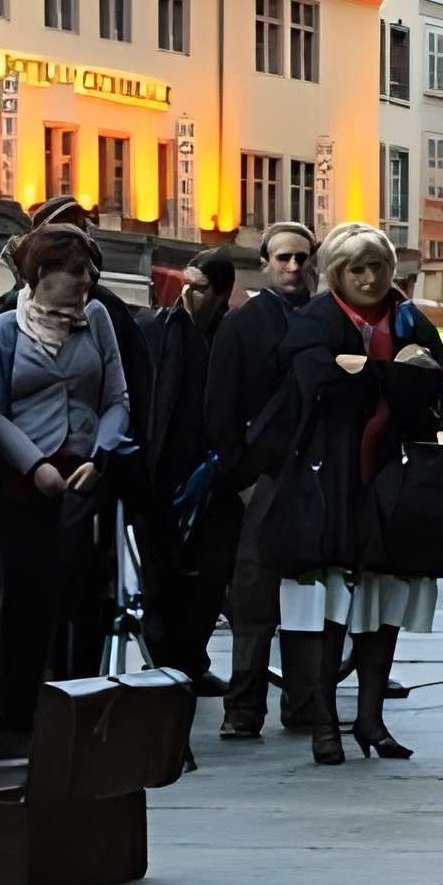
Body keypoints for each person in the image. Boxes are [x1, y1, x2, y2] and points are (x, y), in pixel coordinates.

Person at [270, 223, 443, 764]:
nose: (369, 278)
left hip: (395, 486)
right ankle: (324, 722)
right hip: (328, 483)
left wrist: (363, 371)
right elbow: (318, 386)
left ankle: (371, 722)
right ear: (335, 275)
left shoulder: (408, 317)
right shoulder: (314, 320)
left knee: (383, 607)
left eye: (377, 267)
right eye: (357, 269)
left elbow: (431, 383)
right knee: (327, 611)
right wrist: (391, 372)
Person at [0, 224, 137, 717]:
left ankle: (79, 703)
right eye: (78, 276)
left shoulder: (98, 319)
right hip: (24, 486)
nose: (86, 286)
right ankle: (19, 707)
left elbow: (117, 399)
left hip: (86, 478)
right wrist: (34, 465)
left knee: (84, 600)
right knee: (25, 597)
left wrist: (99, 455)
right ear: (42, 273)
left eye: (89, 277)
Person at [200, 223, 324, 738]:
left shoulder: (327, 319)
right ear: (266, 263)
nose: (293, 267)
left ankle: (300, 702)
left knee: (309, 597)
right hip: (264, 478)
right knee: (254, 601)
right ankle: (244, 707)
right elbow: (218, 410)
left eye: (301, 258)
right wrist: (245, 481)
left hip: (314, 480)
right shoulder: (243, 324)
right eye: (283, 258)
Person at [128, 247, 238, 690]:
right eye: (188, 284)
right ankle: (164, 659)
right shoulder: (157, 329)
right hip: (163, 469)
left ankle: (190, 659)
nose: (191, 294)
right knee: (160, 574)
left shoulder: (229, 335)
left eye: (202, 287)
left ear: (223, 292)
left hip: (214, 472)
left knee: (207, 578)